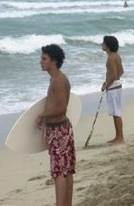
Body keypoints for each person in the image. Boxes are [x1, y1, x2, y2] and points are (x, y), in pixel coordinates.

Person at [36, 44, 75, 206]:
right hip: (62, 129)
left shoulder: (58, 80)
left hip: (58, 130)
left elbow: (61, 108)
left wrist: (42, 115)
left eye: (44, 59)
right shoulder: (58, 78)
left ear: (54, 61)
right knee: (67, 170)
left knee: (59, 172)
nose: (41, 62)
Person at [101, 36, 125, 145]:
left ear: (108, 46)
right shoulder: (116, 56)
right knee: (116, 112)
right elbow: (121, 72)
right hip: (116, 85)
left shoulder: (111, 57)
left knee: (116, 112)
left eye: (103, 43)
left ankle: (120, 137)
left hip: (113, 87)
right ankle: (118, 136)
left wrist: (106, 84)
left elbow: (114, 74)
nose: (102, 44)